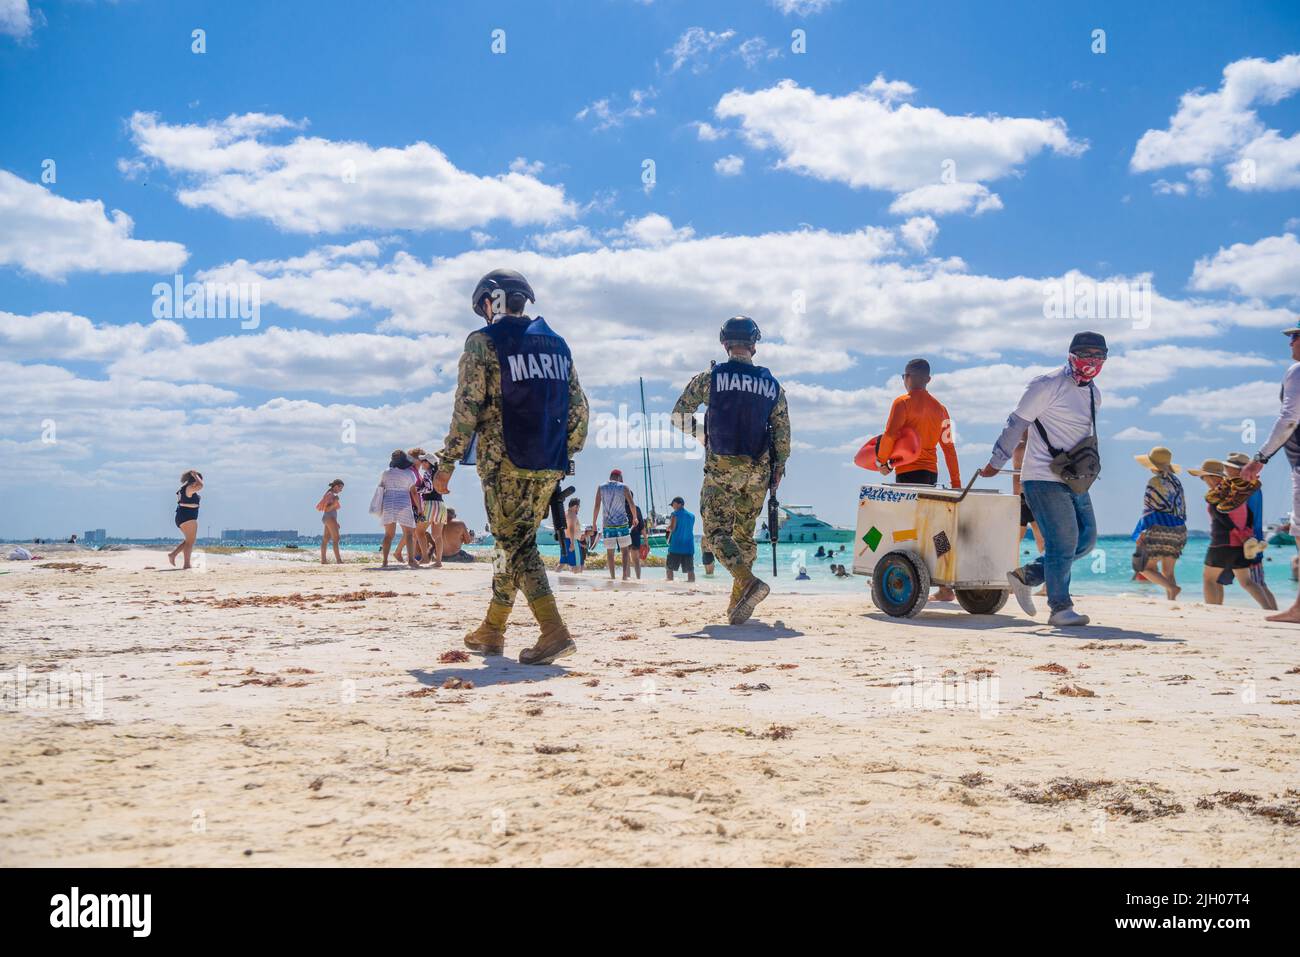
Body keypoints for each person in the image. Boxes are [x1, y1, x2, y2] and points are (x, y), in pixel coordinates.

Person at [433, 268, 589, 664]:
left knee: (516, 545)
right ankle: (492, 628)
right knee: (511, 542)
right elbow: (580, 409)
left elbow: (466, 407)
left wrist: (446, 462)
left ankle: (553, 630)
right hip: (549, 461)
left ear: (490, 302)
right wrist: (563, 452)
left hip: (505, 464)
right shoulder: (556, 344)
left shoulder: (484, 342)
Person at [978, 332, 1106, 627]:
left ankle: (1027, 577)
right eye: (1087, 354)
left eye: (1100, 356)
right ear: (1072, 354)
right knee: (1063, 541)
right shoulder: (1046, 384)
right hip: (1041, 476)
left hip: (1075, 478)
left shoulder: (1093, 393)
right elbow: (1016, 423)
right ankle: (1060, 607)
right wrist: (996, 461)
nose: (1093, 361)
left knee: (1086, 540)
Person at [672, 316, 791, 624]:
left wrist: (702, 435)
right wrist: (778, 469)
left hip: (722, 466)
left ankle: (748, 583)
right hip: (758, 469)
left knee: (715, 532)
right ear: (754, 345)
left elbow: (679, 415)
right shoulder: (771, 384)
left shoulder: (710, 378)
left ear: (725, 344)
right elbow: (781, 432)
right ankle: (738, 605)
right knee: (744, 536)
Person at [877, 358, 962, 602]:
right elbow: (949, 448)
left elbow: (890, 435)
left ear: (907, 378)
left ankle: (900, 574)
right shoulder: (941, 409)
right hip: (930, 473)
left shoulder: (901, 403)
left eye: (903, 377)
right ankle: (946, 586)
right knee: (934, 529)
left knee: (903, 528)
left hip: (906, 472)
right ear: (928, 379)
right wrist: (956, 484)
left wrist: (882, 462)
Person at [1239, 321, 1300, 621]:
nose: (1290, 342)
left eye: (1295, 336)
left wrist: (1259, 458)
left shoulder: (1297, 372)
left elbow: (1289, 419)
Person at [1191, 460, 1272, 607]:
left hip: (1222, 542)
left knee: (1209, 579)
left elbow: (1222, 518)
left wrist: (1237, 533)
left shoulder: (1217, 494)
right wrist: (1246, 535)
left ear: (1214, 477)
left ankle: (1212, 610)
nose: (1203, 481)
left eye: (1204, 477)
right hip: (1241, 545)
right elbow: (1250, 516)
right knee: (1247, 582)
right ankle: (1268, 609)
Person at [1130, 447, 1186, 600]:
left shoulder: (1154, 482)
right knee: (1168, 571)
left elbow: (1149, 509)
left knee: (1142, 568)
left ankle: (1172, 588)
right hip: (1179, 530)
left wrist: (1140, 531)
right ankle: (1172, 602)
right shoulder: (1176, 481)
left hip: (1159, 528)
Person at [1225, 452, 1276, 609]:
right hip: (1255, 538)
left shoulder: (1241, 488)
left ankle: (1269, 612)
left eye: (1229, 467)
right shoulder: (1254, 486)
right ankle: (1273, 611)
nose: (1226, 469)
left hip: (1245, 539)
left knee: (1250, 582)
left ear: (1239, 470)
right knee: (1258, 582)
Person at [376, 450, 419, 569]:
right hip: (403, 502)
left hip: (389, 502)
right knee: (409, 533)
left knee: (388, 535)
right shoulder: (409, 473)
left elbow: (382, 487)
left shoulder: (386, 473)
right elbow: (414, 492)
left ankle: (385, 562)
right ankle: (411, 560)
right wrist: (419, 508)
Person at [593, 469, 638, 581]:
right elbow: (632, 504)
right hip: (622, 523)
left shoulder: (601, 487)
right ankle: (624, 576)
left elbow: (597, 505)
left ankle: (612, 576)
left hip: (608, 524)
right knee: (625, 551)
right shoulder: (624, 487)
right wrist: (635, 517)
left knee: (610, 552)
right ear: (619, 477)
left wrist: (594, 522)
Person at [168, 469, 203, 569]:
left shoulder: (185, 489)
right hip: (187, 517)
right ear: (194, 480)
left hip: (183, 516)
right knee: (190, 541)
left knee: (189, 540)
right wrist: (196, 475)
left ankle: (173, 554)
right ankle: (186, 564)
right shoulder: (189, 488)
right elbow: (201, 485)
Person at [666, 496, 696, 583]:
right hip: (689, 547)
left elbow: (673, 528)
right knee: (690, 570)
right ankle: (691, 586)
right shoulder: (692, 516)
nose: (672, 506)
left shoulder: (675, 514)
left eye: (673, 504)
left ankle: (669, 585)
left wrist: (668, 527)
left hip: (676, 546)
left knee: (669, 568)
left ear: (679, 504)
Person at [317, 479, 344, 564]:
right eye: (340, 488)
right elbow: (327, 509)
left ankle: (323, 560)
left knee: (326, 539)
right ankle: (339, 560)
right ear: (336, 486)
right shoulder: (330, 495)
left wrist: (336, 522)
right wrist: (335, 501)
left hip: (329, 518)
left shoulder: (330, 494)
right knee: (336, 538)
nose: (341, 490)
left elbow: (330, 511)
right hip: (329, 518)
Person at [559, 498, 584, 573]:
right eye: (579, 507)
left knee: (562, 563)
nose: (579, 509)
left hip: (564, 540)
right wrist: (572, 543)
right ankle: (575, 584)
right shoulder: (572, 514)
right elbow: (571, 528)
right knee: (578, 565)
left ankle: (556, 578)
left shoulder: (564, 513)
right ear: (575, 506)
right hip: (571, 541)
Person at [629, 502, 646, 576]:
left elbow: (641, 525)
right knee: (636, 559)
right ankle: (638, 578)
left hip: (624, 535)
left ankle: (627, 578)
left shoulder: (620, 508)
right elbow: (641, 525)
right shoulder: (637, 509)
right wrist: (645, 539)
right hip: (635, 535)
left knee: (626, 558)